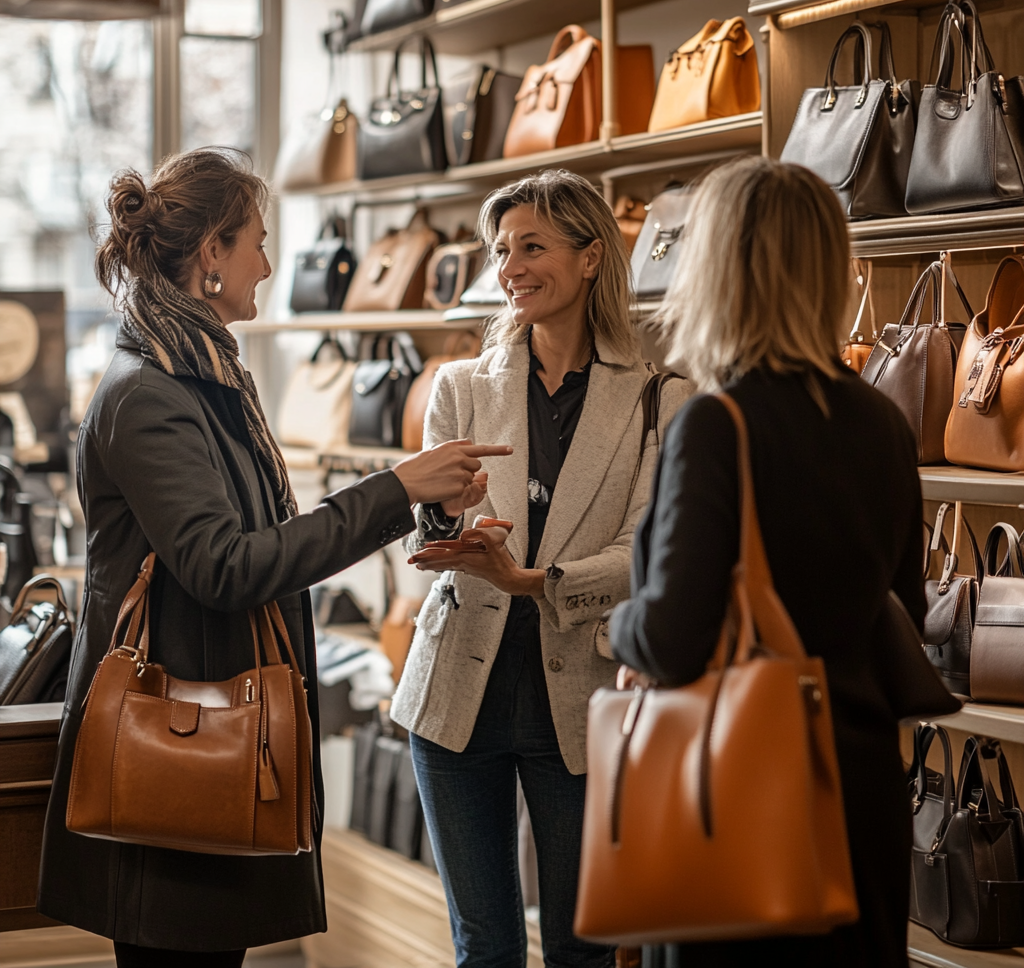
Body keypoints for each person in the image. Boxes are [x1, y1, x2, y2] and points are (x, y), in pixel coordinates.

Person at [36, 147, 510, 968]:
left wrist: (419, 501)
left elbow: (258, 536)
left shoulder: (200, 375)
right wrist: (394, 490)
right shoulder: (151, 391)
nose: (267, 263)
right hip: (177, 742)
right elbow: (226, 566)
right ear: (211, 254)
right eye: (257, 241)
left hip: (205, 730)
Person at [610, 156, 923, 968]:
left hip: (741, 790)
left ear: (717, 270)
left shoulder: (717, 424)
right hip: (859, 795)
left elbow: (672, 635)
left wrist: (620, 626)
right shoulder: (885, 421)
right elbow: (906, 618)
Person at [392, 169, 691, 968]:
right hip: (457, 696)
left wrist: (533, 584)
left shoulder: (659, 397)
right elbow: (428, 531)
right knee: (484, 949)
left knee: (581, 950)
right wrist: (447, 519)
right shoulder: (459, 386)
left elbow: (647, 552)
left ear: (591, 258)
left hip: (585, 702)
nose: (510, 268)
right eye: (501, 251)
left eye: (532, 247)